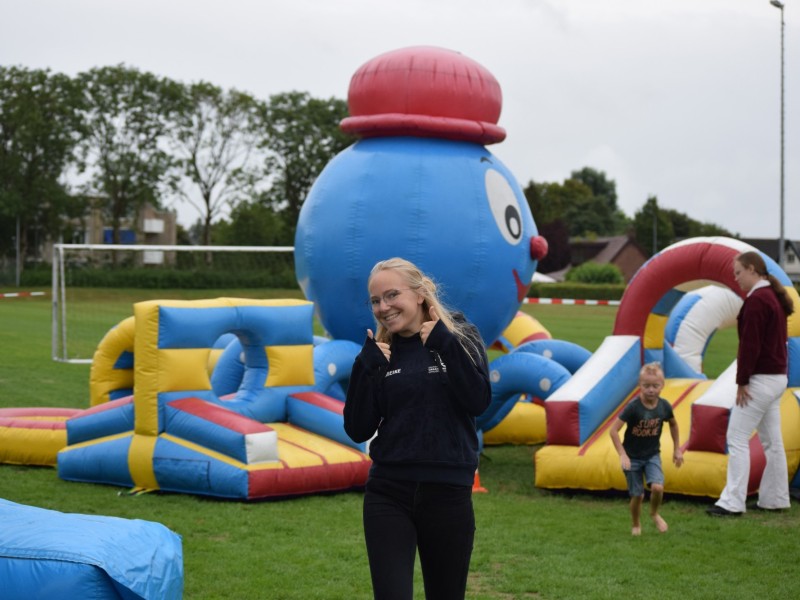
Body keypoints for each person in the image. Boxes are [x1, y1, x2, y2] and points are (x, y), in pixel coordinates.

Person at [344, 257, 491, 600]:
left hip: (448, 493)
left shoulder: (460, 335)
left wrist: (444, 344)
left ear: (421, 293)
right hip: (388, 493)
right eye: (376, 301)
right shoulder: (380, 353)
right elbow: (357, 428)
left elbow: (479, 401)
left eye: (391, 295)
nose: (383, 307)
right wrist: (365, 369)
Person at [707, 251, 795, 517]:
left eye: (738, 272)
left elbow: (750, 346)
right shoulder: (772, 298)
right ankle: (776, 499)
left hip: (761, 379)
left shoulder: (757, 300)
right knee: (772, 442)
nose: (736, 278)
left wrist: (742, 381)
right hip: (778, 378)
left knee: (736, 437)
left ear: (753, 270)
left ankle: (732, 503)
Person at [610, 362, 684, 536]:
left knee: (658, 488)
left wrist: (677, 449)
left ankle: (654, 513)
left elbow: (673, 425)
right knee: (638, 495)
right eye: (646, 386)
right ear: (640, 385)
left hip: (652, 455)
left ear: (662, 386)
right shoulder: (633, 407)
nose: (651, 390)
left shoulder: (664, 406)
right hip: (632, 457)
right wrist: (622, 454)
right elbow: (613, 431)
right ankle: (636, 524)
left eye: (655, 386)